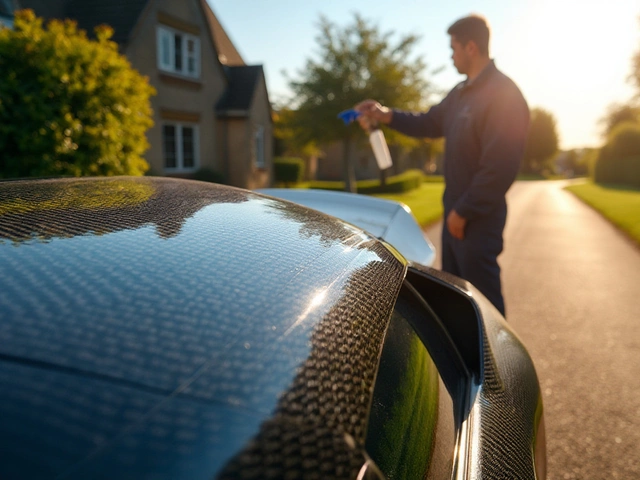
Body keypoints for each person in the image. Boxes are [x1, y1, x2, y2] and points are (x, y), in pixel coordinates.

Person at [355, 14, 529, 317]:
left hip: (478, 222)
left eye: (454, 49)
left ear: (471, 47)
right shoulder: (460, 94)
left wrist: (464, 212)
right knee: (456, 303)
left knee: (485, 309)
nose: (451, 56)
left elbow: (499, 167)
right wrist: (385, 115)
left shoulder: (505, 96)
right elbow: (427, 122)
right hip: (455, 217)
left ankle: (496, 365)